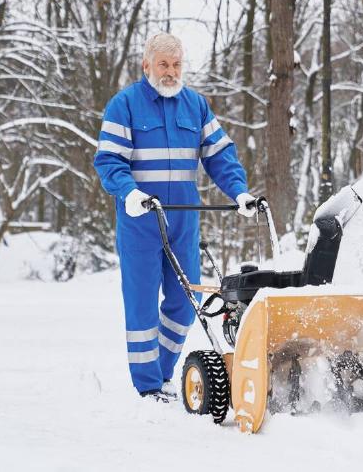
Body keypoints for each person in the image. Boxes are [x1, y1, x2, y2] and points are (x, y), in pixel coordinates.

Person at [93, 33, 255, 402]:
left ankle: (164, 371)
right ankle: (148, 385)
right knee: (142, 302)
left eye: (177, 64)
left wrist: (239, 192)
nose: (170, 71)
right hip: (140, 219)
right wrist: (128, 192)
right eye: (163, 64)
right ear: (146, 65)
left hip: (183, 217)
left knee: (185, 301)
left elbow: (220, 155)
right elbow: (109, 160)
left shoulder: (195, 106)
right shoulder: (125, 105)